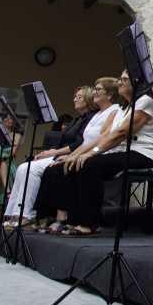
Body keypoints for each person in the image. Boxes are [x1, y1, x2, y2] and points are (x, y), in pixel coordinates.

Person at [52, 69, 153, 236]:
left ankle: (89, 223)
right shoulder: (123, 107)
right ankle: (73, 220)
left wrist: (92, 153)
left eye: (125, 79)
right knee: (76, 163)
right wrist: (77, 154)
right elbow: (106, 136)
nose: (120, 82)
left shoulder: (145, 101)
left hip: (143, 153)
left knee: (90, 164)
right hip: (123, 151)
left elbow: (121, 133)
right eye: (120, 79)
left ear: (138, 83)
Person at [4, 83, 111, 228]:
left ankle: (27, 214)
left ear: (87, 100)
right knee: (23, 167)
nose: (74, 99)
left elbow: (80, 143)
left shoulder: (90, 118)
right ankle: (13, 213)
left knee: (31, 169)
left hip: (73, 154)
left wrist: (54, 152)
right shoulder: (77, 119)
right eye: (75, 96)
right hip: (62, 154)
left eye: (79, 97)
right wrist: (48, 152)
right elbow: (64, 142)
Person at [32, 78, 122, 232]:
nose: (94, 92)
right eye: (95, 89)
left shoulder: (115, 110)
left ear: (110, 94)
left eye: (98, 89)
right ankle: (49, 216)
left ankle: (69, 219)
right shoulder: (96, 114)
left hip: (101, 152)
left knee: (66, 168)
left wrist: (76, 156)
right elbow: (85, 141)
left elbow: (103, 138)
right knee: (52, 169)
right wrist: (71, 155)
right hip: (86, 151)